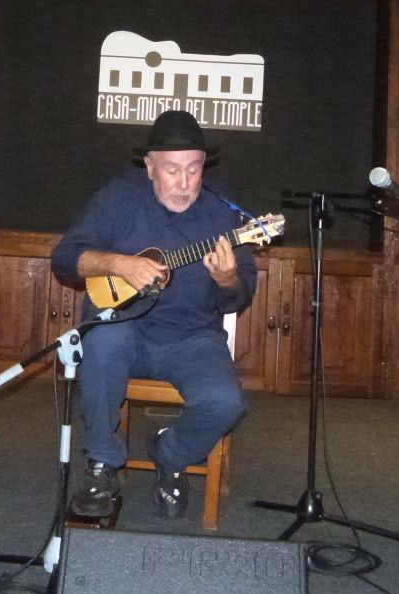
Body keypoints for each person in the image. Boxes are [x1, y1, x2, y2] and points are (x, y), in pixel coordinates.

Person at [51, 110, 258, 519]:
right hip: (126, 328)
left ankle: (170, 452)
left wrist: (228, 279)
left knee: (227, 401)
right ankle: (103, 465)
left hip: (194, 337)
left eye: (194, 170)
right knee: (102, 342)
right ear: (149, 167)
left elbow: (239, 298)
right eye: (171, 170)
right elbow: (65, 258)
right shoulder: (117, 198)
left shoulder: (223, 212)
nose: (184, 183)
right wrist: (118, 264)